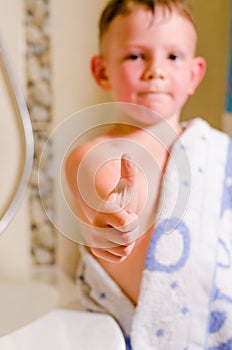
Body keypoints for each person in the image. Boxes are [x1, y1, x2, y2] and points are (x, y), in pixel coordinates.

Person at [65, 1, 232, 349]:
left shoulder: (216, 151)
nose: (156, 70)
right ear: (102, 70)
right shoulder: (94, 155)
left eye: (173, 57)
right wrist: (112, 218)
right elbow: (103, 199)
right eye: (135, 56)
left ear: (194, 74)